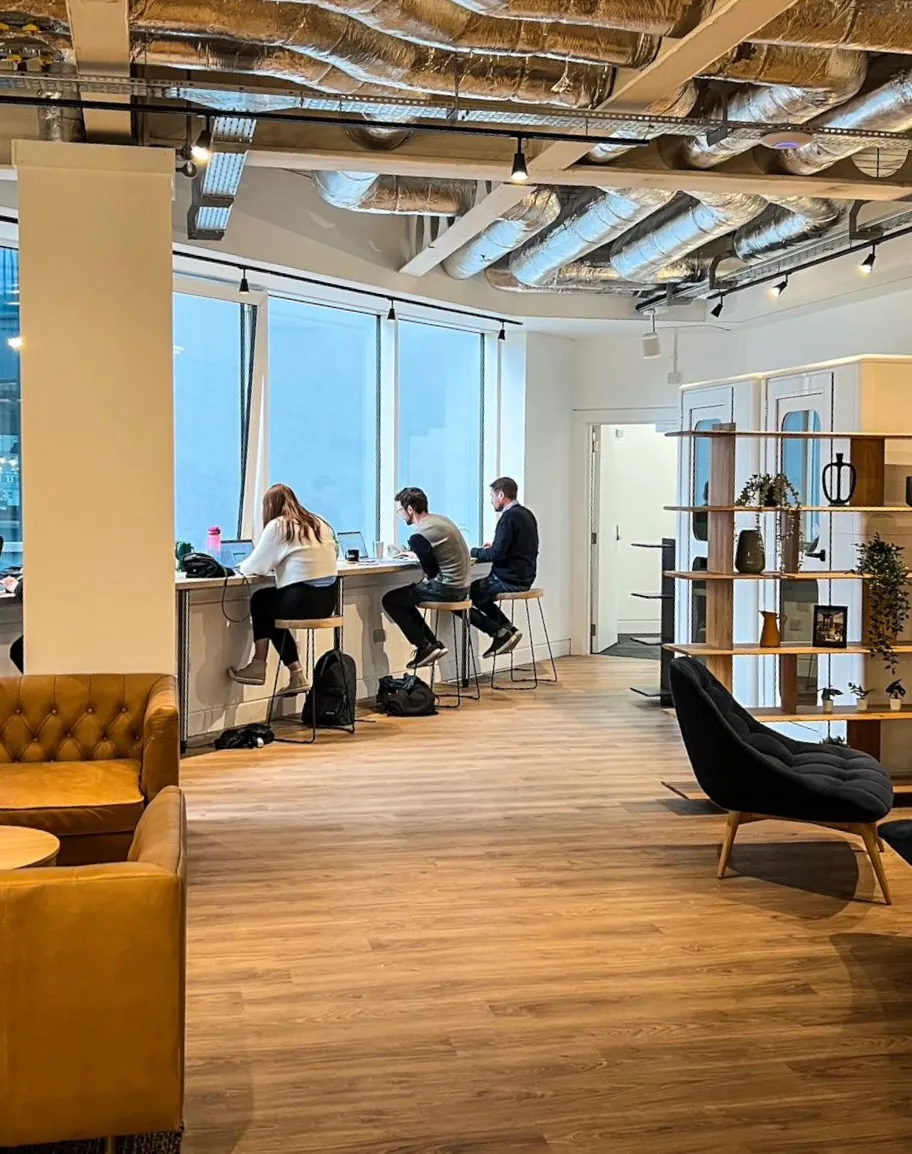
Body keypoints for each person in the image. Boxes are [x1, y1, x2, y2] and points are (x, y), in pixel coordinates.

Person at [228, 483, 338, 694]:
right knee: (273, 613)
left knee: (261, 601)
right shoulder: (318, 522)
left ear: (270, 507)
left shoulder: (280, 525)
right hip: (327, 601)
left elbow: (255, 567)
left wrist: (237, 566)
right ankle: (296, 674)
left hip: (303, 601)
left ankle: (259, 664)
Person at [382, 487, 472, 669]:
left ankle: (426, 645)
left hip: (447, 588)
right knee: (408, 597)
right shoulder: (441, 520)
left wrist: (417, 554)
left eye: (400, 511)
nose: (400, 516)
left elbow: (431, 571)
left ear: (409, 509)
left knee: (391, 600)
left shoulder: (419, 534)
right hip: (463, 586)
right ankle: (431, 645)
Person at [469, 476, 539, 658]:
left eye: (492, 496)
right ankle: (506, 629)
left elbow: (496, 555)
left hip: (509, 579)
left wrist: (473, 551)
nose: (491, 501)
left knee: (469, 592)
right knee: (478, 591)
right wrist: (494, 547)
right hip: (526, 577)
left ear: (501, 495)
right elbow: (516, 547)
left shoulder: (508, 517)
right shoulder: (526, 514)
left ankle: (500, 632)